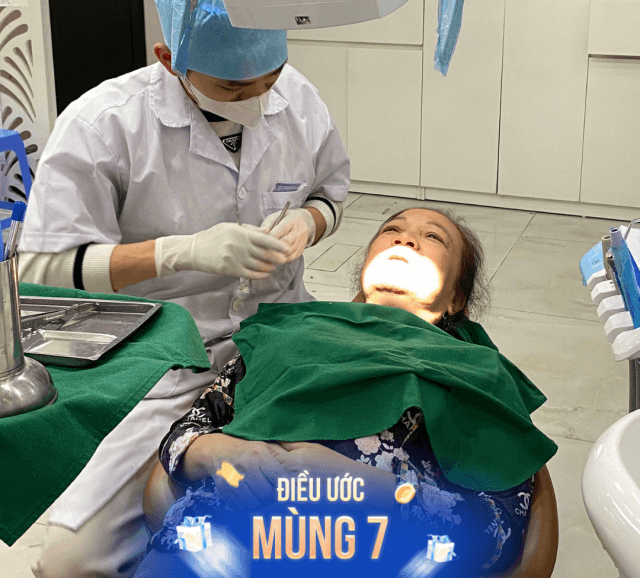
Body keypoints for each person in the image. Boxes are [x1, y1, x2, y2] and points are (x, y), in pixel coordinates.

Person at [18, 0, 350, 578]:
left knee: (318, 511)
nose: (257, 100)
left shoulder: (298, 99)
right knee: (75, 562)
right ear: (168, 59)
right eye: (232, 88)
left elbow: (332, 194)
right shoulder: (103, 126)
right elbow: (44, 268)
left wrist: (310, 221)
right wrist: (177, 253)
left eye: (269, 79)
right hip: (160, 356)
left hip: (281, 336)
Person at [139, 207, 558, 577]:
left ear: (456, 298)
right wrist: (220, 453)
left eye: (433, 236)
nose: (406, 239)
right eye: (392, 230)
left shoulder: (477, 374)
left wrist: (375, 490)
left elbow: (498, 530)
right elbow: (186, 433)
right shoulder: (282, 336)